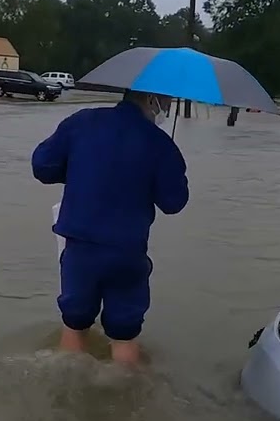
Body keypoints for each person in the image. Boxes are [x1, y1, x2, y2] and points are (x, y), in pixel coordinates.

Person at [31, 90, 189, 365]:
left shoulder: (81, 122)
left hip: (81, 249)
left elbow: (43, 167)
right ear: (153, 100)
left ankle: (69, 390)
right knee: (124, 334)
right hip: (128, 254)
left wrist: (80, 169)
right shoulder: (160, 143)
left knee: (74, 322)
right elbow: (174, 203)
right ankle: (125, 397)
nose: (167, 107)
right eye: (167, 102)